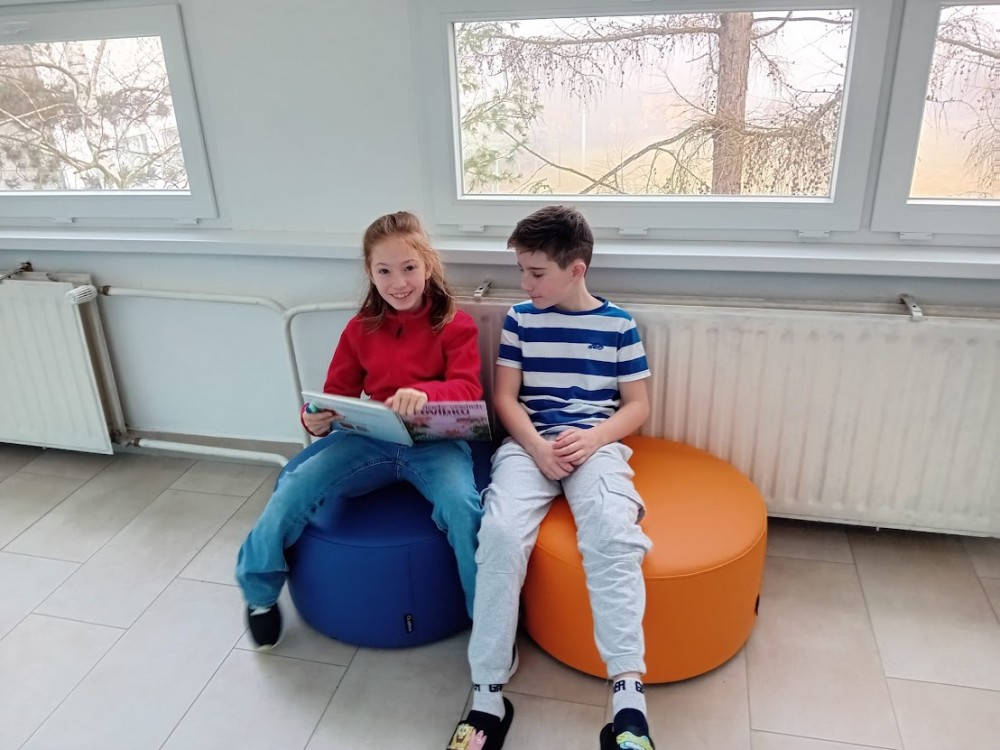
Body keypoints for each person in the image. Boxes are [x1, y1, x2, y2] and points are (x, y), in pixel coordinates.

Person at [446, 206, 655, 750]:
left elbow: (637, 406)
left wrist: (594, 439)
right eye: (522, 270)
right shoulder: (520, 319)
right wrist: (537, 448)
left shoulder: (618, 324)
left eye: (536, 272)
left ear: (576, 269)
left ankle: (628, 701)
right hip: (528, 444)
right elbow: (505, 398)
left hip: (595, 446)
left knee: (613, 533)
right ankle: (487, 692)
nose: (525, 283)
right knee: (498, 535)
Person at [236, 211, 484, 649]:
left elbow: (468, 389)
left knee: (463, 508)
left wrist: (424, 394)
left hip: (436, 443)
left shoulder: (455, 324)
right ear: (370, 273)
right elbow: (334, 395)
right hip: (370, 439)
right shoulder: (360, 329)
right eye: (384, 271)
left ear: (428, 265)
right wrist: (313, 417)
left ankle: (486, 620)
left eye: (409, 268)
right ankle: (259, 596)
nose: (398, 283)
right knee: (294, 487)